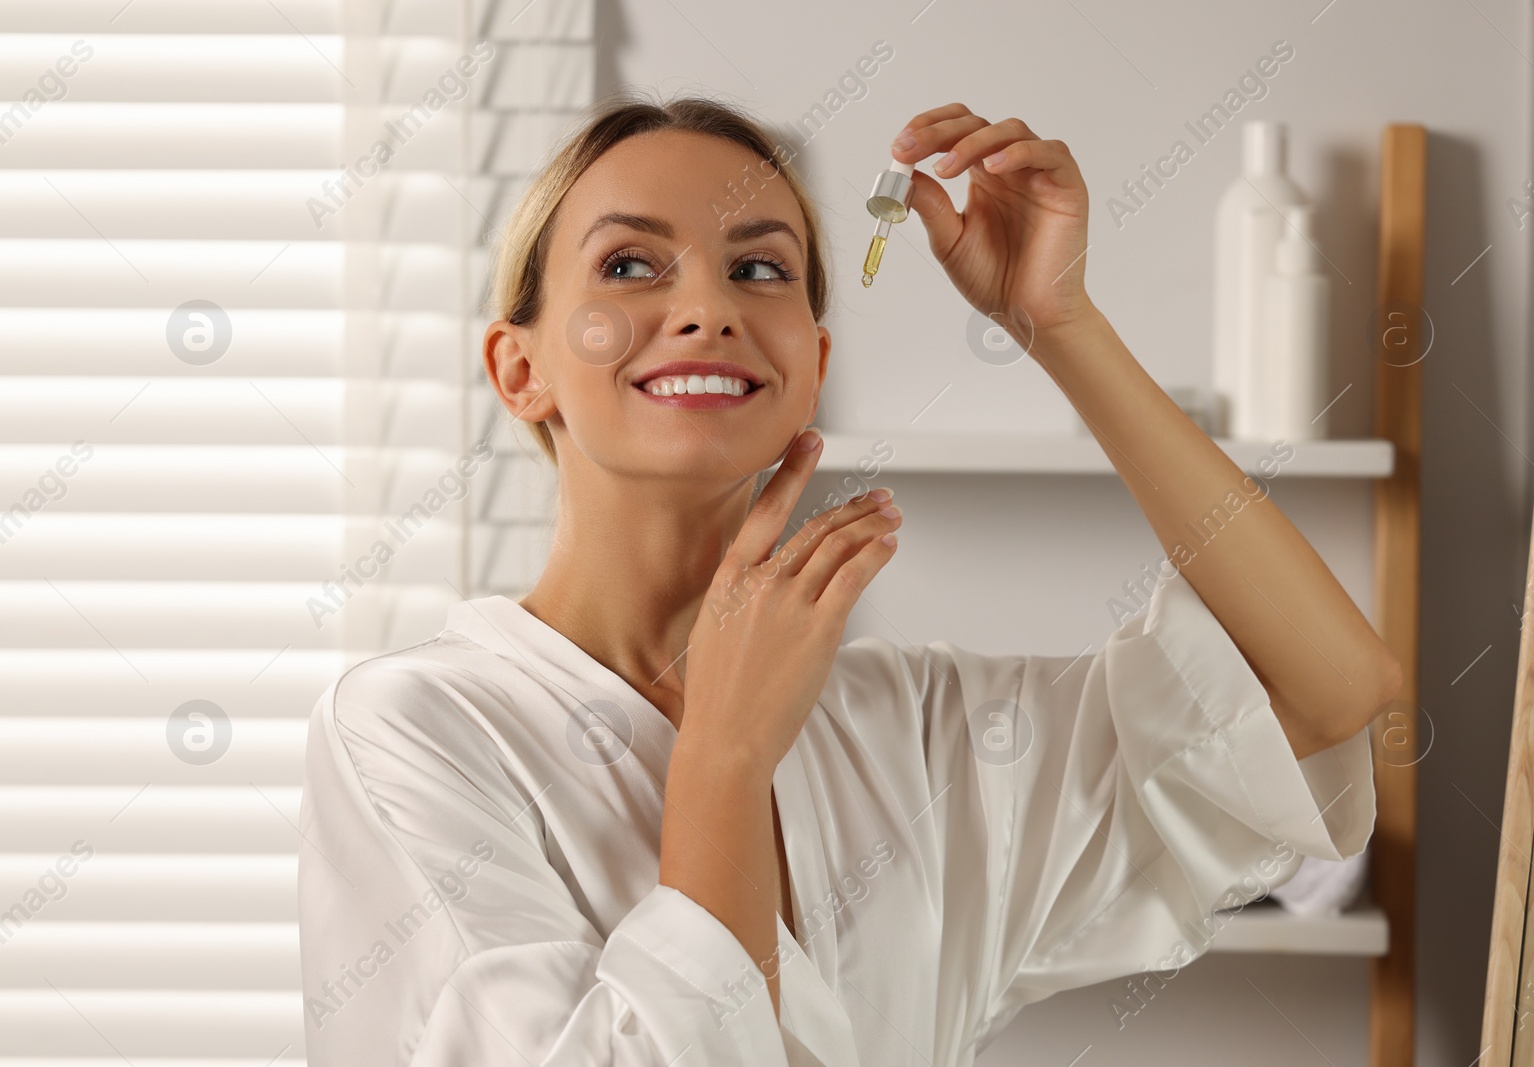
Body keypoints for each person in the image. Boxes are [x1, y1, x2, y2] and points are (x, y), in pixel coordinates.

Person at [296, 90, 1402, 1066]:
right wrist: (723, 758)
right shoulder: (416, 728)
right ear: (519, 368)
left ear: (810, 367)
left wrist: (1055, 323)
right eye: (629, 263)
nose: (707, 307)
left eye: (758, 268)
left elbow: (1319, 690)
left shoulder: (915, 729)